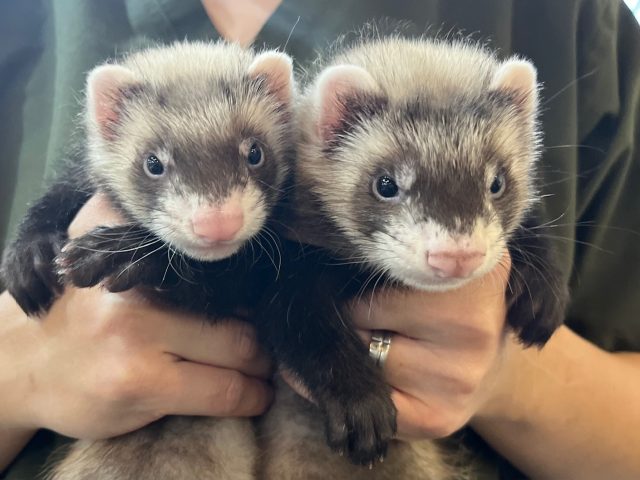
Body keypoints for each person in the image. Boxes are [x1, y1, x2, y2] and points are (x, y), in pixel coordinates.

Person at [1, 0, 639, 478]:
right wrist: (18, 374)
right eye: (386, 186)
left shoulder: (573, 18)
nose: (217, 217)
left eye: (255, 157)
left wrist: (513, 379)